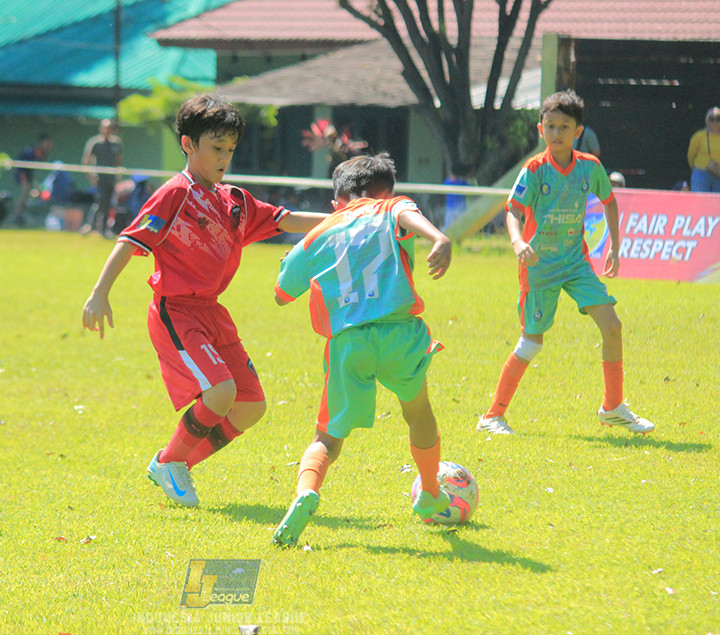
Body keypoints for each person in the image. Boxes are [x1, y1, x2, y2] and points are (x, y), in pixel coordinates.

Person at [81, 93, 327, 507]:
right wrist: (99, 292)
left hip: (213, 312)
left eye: (230, 149)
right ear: (188, 145)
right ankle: (169, 461)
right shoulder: (174, 194)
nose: (224, 157)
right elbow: (129, 240)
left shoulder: (234, 200)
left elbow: (286, 219)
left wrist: (348, 219)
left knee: (250, 405)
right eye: (216, 148)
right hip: (176, 311)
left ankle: (177, 466)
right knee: (220, 392)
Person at [270, 153, 454, 546]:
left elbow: (282, 295)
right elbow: (407, 215)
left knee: (327, 437)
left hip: (349, 342)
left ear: (338, 199)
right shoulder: (392, 207)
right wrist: (438, 237)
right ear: (386, 192)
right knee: (417, 410)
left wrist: (294, 261)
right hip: (401, 333)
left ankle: (306, 491)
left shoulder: (321, 231)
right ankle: (430, 494)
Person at [476, 90, 654, 437]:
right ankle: (492, 416)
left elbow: (610, 201)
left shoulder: (590, 166)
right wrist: (517, 242)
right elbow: (511, 210)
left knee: (613, 326)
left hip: (575, 263)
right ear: (540, 128)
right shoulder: (534, 169)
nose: (556, 133)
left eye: (564, 127)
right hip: (539, 265)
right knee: (531, 343)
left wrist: (615, 248)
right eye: (550, 126)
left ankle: (613, 407)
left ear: (578, 131)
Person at [81, 119, 123, 237]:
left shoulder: (116, 143)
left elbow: (118, 160)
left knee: (108, 204)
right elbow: (86, 161)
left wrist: (118, 174)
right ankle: (92, 226)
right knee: (100, 203)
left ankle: (102, 229)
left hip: (111, 178)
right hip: (100, 178)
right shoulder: (95, 143)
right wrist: (91, 177)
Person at [12, 134, 54, 226]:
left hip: (29, 175)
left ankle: (23, 214)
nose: (49, 145)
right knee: (25, 191)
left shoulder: (43, 154)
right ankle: (17, 214)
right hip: (22, 173)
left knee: (34, 192)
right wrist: (25, 181)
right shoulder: (32, 151)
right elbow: (22, 165)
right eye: (47, 142)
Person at [686, 107, 720, 193]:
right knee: (700, 202)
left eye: (718, 119)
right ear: (706, 121)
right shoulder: (698, 136)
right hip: (701, 174)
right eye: (712, 119)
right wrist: (699, 167)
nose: (715, 122)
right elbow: (691, 156)